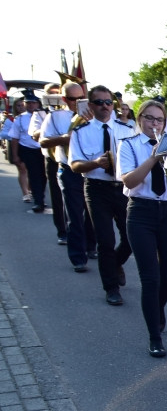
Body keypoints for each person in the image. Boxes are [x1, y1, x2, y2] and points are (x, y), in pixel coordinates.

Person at [118, 99, 167, 358]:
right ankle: (154, 336)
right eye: (149, 118)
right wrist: (153, 157)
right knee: (150, 278)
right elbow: (130, 181)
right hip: (140, 211)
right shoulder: (128, 144)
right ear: (140, 119)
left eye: (159, 120)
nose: (154, 124)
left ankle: (157, 310)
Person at [69, 85, 135, 306]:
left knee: (131, 239)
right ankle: (111, 288)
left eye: (108, 102)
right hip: (97, 188)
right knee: (105, 241)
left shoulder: (126, 130)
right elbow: (75, 165)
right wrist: (95, 163)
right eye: (99, 103)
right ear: (90, 105)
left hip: (123, 189)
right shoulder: (81, 131)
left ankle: (115, 263)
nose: (105, 107)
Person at [38, 80, 98, 272]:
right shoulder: (55, 117)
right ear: (64, 99)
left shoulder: (93, 114)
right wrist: (64, 138)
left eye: (81, 98)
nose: (78, 102)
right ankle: (78, 257)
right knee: (74, 214)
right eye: (73, 99)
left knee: (92, 214)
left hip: (91, 169)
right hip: (69, 168)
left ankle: (91, 246)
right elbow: (43, 141)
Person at [30, 83, 68, 243]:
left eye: (57, 93)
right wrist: (48, 128)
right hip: (52, 158)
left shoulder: (69, 112)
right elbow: (35, 133)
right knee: (57, 197)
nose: (54, 96)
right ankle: (62, 231)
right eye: (51, 94)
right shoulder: (40, 113)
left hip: (70, 158)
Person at [8, 90, 47, 212]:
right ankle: (38, 201)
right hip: (27, 149)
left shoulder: (45, 115)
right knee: (34, 174)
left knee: (43, 176)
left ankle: (41, 197)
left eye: (33, 103)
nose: (31, 105)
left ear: (38, 104)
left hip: (43, 149)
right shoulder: (19, 119)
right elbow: (14, 138)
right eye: (28, 103)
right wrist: (15, 156)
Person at [7, 98, 33, 202]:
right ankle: (25, 193)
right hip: (16, 145)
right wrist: (12, 133)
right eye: (18, 105)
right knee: (22, 170)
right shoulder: (11, 119)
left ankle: (31, 190)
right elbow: (4, 133)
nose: (20, 107)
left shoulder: (33, 117)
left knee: (31, 171)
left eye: (22, 105)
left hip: (30, 147)